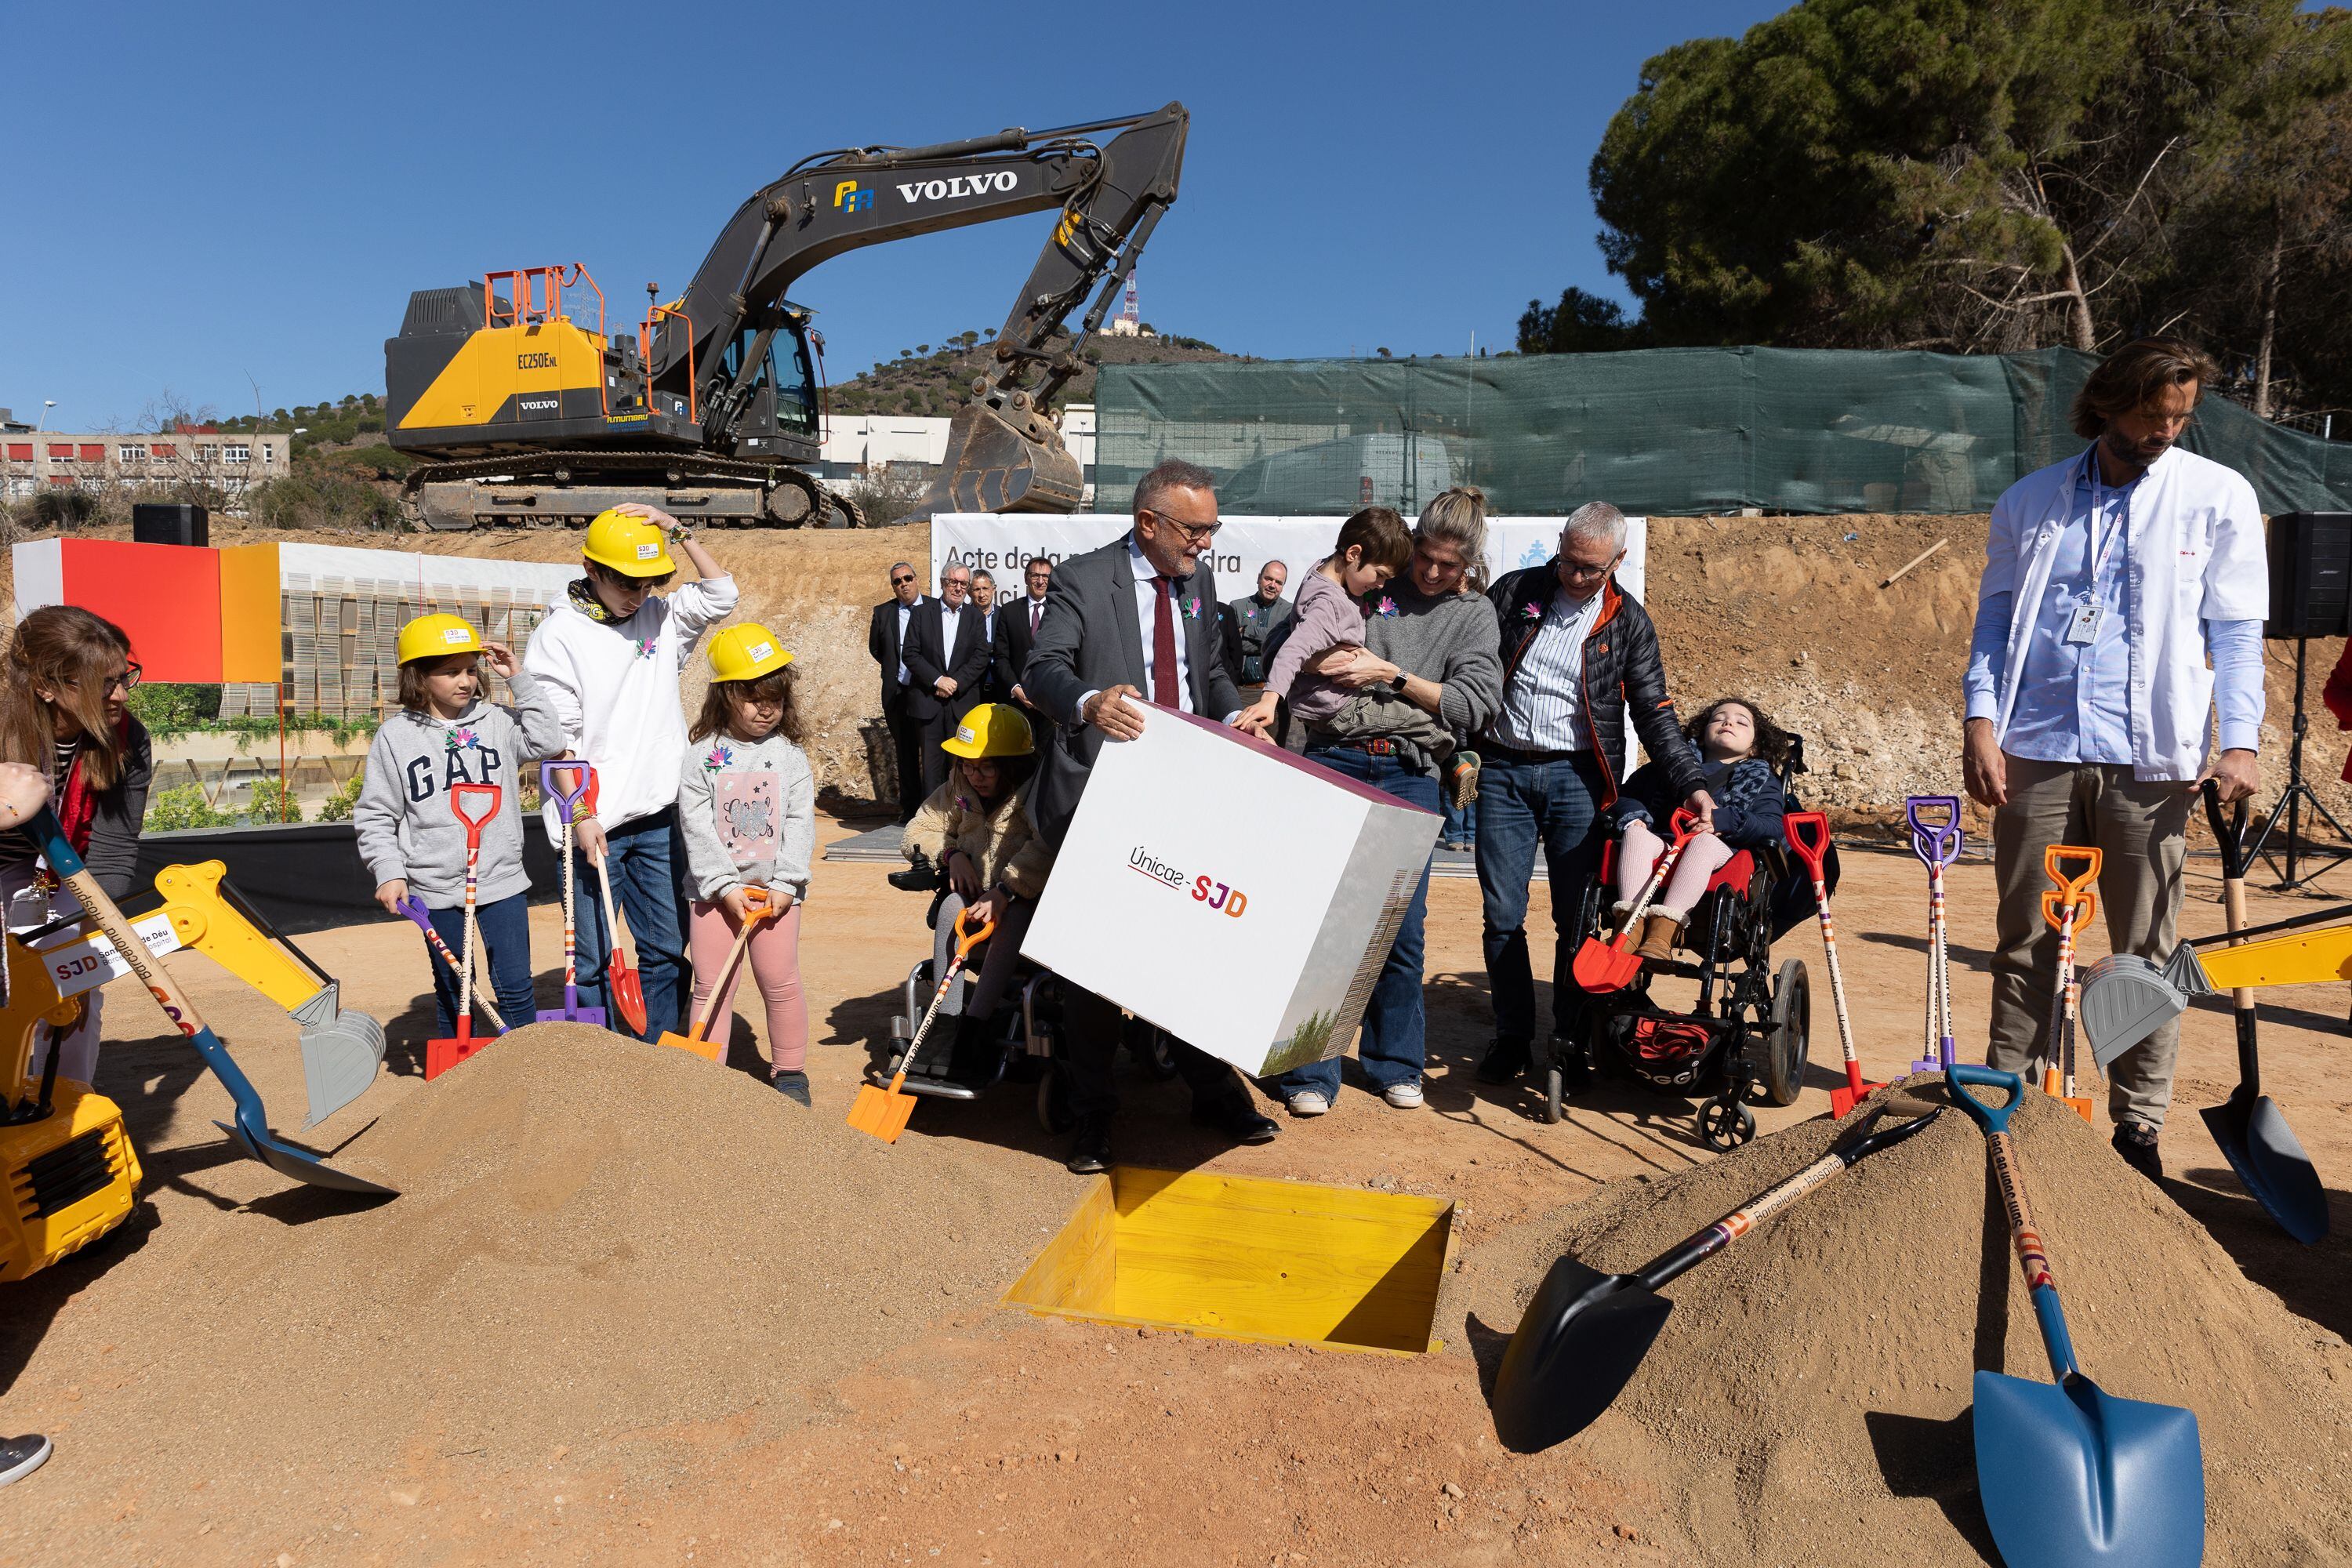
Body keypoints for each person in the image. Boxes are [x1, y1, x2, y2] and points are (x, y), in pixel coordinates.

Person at [1962, 337, 2266, 1182]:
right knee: (2024, 934)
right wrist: (1981, 721)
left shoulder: (2217, 497)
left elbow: (2237, 635)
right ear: (2104, 403)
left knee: (2146, 950)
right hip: (2037, 745)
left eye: (2179, 417)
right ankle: (2004, 1098)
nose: (2163, 431)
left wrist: (2238, 740)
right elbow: (1993, 623)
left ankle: (2138, 1126)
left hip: (2155, 757)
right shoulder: (2031, 501)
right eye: (2147, 414)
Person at [1025, 457, 1282, 1171]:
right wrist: (1088, 702)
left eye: (1211, 528)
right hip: (1102, 797)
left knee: (1195, 954)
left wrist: (1237, 713)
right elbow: (1041, 668)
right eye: (1196, 529)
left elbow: (1211, 674)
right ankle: (1094, 1115)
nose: (1206, 542)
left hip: (1186, 798)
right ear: (1149, 524)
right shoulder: (1083, 578)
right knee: (1094, 968)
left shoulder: (1198, 583)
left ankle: (1211, 1090)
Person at [1241, 487, 1504, 1116]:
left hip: (1412, 772)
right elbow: (1300, 644)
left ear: (1469, 564)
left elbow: (1473, 705)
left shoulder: (1474, 615)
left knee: (1399, 927)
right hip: (1333, 756)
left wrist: (1389, 675)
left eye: (1450, 566)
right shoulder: (1374, 586)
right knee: (1327, 920)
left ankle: (1395, 1063)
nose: (1434, 573)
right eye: (1426, 559)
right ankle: (1310, 1068)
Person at [1473, 502, 1715, 1088]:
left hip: (1578, 779)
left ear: (1618, 561)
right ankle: (1511, 1037)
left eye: (1591, 569)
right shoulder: (1513, 591)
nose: (1575, 577)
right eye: (1569, 561)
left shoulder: (1628, 623)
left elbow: (1655, 714)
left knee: (1574, 918)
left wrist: (1693, 783)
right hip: (1503, 769)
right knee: (1502, 914)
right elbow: (1474, 667)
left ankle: (1570, 1037)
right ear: (1559, 544)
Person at [524, 503, 739, 1042]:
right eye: (627, 581)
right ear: (591, 570)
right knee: (596, 959)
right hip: (592, 825)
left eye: (651, 581)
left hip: (660, 818)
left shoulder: (660, 618)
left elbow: (721, 595)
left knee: (666, 949)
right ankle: (604, 1067)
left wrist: (676, 528)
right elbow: (557, 742)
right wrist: (580, 814)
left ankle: (655, 1059)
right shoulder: (558, 637)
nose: (640, 594)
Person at [357, 615, 564, 1036]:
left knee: (516, 986)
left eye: (471, 669)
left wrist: (518, 678)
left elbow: (549, 742)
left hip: (501, 878)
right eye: (450, 671)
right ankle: (457, 1087)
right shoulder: (395, 737)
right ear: (419, 676)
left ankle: (526, 1075)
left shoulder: (498, 722)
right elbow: (377, 812)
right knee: (455, 987)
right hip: (433, 884)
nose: (465, 680)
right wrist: (389, 871)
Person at [0, 607, 154, 1089]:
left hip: (61, 873)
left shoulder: (127, 739)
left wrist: (82, 951)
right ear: (47, 686)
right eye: (102, 683)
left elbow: (111, 853)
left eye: (124, 677)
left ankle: (65, 1105)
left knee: (78, 989)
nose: (120, 694)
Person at [678, 622, 816, 1103]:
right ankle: (706, 1075)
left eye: (775, 699)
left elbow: (800, 822)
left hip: (776, 896)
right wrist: (722, 886)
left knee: (780, 984)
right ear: (725, 695)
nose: (766, 709)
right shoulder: (700, 758)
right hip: (714, 898)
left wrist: (787, 881)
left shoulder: (790, 757)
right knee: (711, 986)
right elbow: (696, 827)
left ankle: (790, 1072)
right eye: (754, 697)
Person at [898, 702, 1056, 1074]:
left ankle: (976, 1029)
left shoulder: (1038, 793)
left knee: (1015, 914)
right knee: (952, 903)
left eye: (986, 766)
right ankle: (945, 1025)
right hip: (974, 906)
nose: (976, 775)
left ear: (1011, 765)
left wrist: (1005, 891)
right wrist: (950, 853)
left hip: (1022, 904)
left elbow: (1046, 847)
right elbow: (917, 830)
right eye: (968, 764)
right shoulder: (960, 785)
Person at [1609, 697, 1789, 960]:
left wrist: (1725, 821)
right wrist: (1634, 817)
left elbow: (1772, 827)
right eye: (1719, 718)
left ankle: (1662, 936)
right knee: (1635, 833)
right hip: (1665, 840)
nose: (1728, 721)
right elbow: (1624, 797)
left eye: (1742, 722)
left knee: (1702, 843)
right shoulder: (1670, 766)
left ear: (1754, 747)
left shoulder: (1763, 781)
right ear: (1702, 733)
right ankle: (1628, 929)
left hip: (1720, 851)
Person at [1237, 508, 1413, 739]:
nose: (1381, 585)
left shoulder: (1323, 569)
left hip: (1326, 702)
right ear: (1353, 554)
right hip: (1338, 708)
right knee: (1423, 720)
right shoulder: (1328, 604)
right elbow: (1294, 649)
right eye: (1379, 575)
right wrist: (1270, 700)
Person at [904, 562, 991, 795]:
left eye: (964, 584)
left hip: (960, 705)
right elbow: (910, 653)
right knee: (931, 769)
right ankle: (931, 821)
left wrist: (955, 683)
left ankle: (959, 818)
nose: (959, 588)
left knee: (960, 768)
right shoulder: (922, 613)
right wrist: (937, 680)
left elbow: (981, 657)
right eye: (954, 582)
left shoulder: (976, 617)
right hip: (927, 702)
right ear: (943, 583)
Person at [868, 561, 930, 824]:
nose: (904, 584)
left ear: (917, 579)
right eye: (897, 581)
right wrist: (896, 669)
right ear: (893, 586)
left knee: (931, 754)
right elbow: (876, 649)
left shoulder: (934, 609)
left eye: (907, 578)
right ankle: (911, 810)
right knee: (905, 754)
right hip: (897, 694)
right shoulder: (883, 613)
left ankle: (933, 809)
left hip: (927, 694)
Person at [996, 555, 1054, 714]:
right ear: (1026, 578)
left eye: (1045, 577)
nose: (1040, 581)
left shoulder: (1059, 612)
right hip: (1016, 701)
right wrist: (1015, 688)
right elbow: (1001, 657)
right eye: (1035, 575)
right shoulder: (1009, 611)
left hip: (1050, 702)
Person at [1228, 560, 1292, 688]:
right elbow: (1232, 645)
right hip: (1243, 690)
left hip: (1274, 690)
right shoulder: (1237, 606)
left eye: (1278, 582)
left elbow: (1287, 645)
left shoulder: (1289, 612)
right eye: (1268, 579)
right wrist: (1273, 645)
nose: (1272, 585)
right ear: (1259, 578)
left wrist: (1247, 630)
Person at [969, 569, 1004, 700]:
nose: (982, 594)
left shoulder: (1004, 616)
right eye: (977, 589)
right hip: (972, 688)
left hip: (1000, 688)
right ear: (969, 591)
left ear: (993, 589)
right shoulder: (963, 618)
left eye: (985, 588)